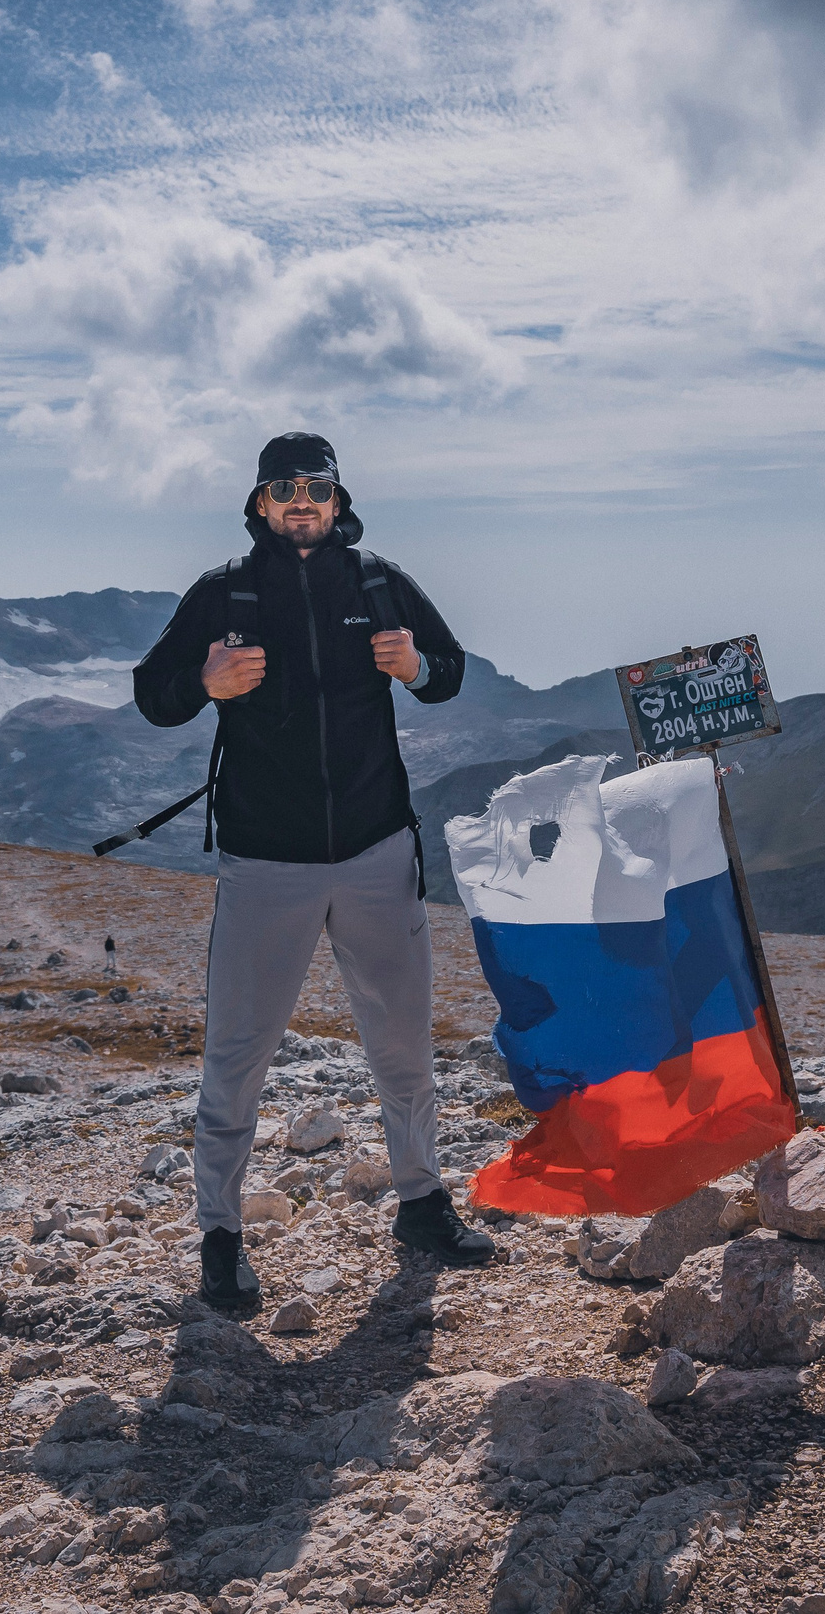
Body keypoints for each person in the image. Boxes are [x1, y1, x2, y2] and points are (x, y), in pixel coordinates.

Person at [135, 431, 495, 1310]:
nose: (302, 502)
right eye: (284, 489)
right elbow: (154, 691)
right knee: (238, 1053)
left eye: (317, 489)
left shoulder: (378, 581)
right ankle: (220, 1234)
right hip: (266, 862)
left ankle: (420, 1202)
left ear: (338, 501)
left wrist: (417, 669)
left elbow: (450, 672)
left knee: (404, 1045)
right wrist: (207, 683)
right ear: (260, 503)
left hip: (376, 851)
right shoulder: (224, 593)